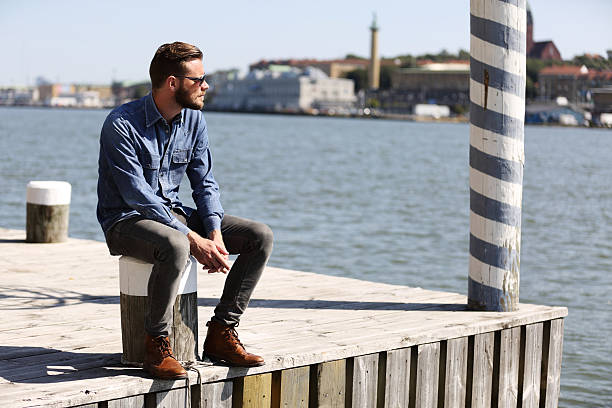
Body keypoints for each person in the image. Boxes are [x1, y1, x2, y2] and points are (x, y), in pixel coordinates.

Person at [97, 42, 273, 379]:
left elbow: (204, 182)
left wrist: (214, 232)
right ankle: (156, 345)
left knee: (258, 236)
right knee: (176, 244)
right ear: (172, 83)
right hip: (125, 220)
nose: (206, 86)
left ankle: (222, 332)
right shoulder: (121, 123)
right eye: (198, 79)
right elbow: (138, 196)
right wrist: (192, 238)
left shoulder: (194, 121)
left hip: (174, 214)